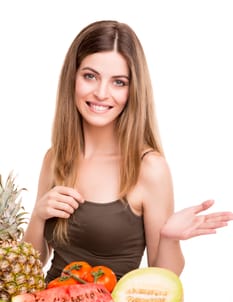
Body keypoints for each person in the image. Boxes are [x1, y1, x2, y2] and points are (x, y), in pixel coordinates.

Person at [24, 20, 233, 283]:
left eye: (118, 82)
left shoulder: (149, 168)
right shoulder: (55, 157)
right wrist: (39, 215)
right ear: (73, 78)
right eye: (90, 76)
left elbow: (162, 278)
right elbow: (33, 262)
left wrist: (169, 237)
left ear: (133, 90)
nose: (101, 93)